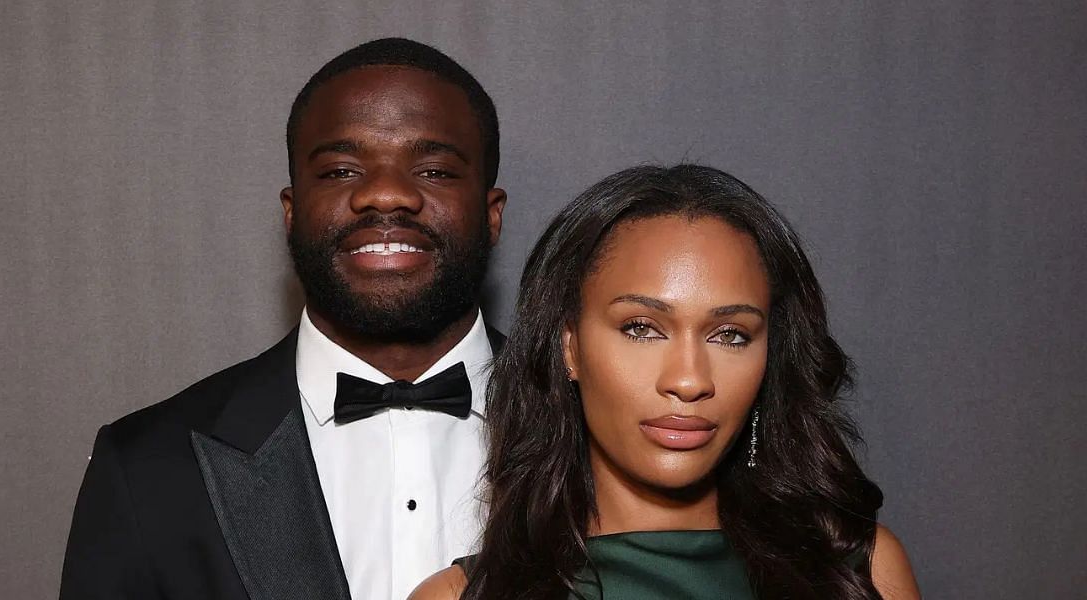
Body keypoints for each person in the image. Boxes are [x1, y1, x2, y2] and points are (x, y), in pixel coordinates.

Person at [60, 38, 508, 600]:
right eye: (342, 170)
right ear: (291, 214)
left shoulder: (602, 438)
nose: (386, 193)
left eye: (436, 170)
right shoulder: (147, 466)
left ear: (492, 216)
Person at [411, 164, 920, 599]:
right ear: (569, 347)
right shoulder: (459, 597)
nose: (689, 380)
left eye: (731, 335)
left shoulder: (860, 571)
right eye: (642, 328)